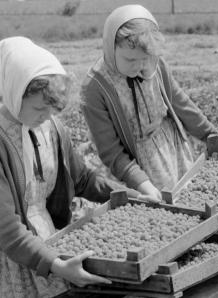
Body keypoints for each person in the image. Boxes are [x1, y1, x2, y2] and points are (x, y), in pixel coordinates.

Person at [0, 37, 152, 298]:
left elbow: (81, 179)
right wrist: (56, 264)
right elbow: (7, 229)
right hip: (16, 256)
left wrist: (129, 196)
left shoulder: (52, 129)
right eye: (39, 108)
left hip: (52, 243)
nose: (46, 117)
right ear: (15, 92)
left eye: (52, 110)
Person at [80, 5, 218, 201]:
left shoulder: (156, 64)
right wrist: (141, 183)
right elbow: (111, 150)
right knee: (160, 209)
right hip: (137, 164)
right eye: (130, 59)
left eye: (144, 59)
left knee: (191, 199)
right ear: (110, 47)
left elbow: (181, 104)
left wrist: (210, 135)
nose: (138, 66)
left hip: (172, 147)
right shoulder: (96, 88)